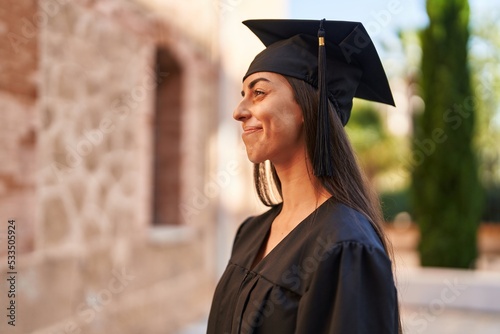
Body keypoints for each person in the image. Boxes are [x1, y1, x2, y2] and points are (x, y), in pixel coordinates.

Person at [207, 19, 401, 334]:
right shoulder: (251, 232)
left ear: (307, 105)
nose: (239, 111)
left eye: (258, 92)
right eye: (243, 94)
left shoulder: (347, 246)